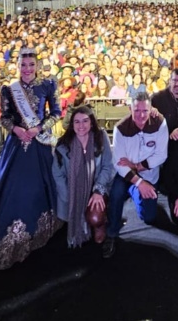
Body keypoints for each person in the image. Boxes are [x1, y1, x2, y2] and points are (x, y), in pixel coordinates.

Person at [0, 47, 61, 270]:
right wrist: (15, 129)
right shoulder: (8, 89)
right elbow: (4, 117)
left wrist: (39, 128)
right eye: (23, 65)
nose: (27, 69)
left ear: (37, 66)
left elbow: (56, 113)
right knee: (13, 187)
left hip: (39, 142)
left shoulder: (48, 84)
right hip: (16, 143)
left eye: (31, 65)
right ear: (17, 66)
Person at [103, 90, 168, 259]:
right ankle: (112, 232)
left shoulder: (160, 122)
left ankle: (136, 194)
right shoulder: (120, 128)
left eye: (145, 111)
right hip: (127, 175)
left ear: (151, 109)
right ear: (130, 109)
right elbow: (119, 162)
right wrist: (139, 182)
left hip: (148, 174)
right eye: (137, 110)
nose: (141, 115)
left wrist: (137, 166)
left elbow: (162, 154)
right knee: (116, 194)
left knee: (149, 217)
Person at [51, 105, 114, 250]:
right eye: (77, 122)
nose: (81, 126)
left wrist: (98, 190)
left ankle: (99, 223)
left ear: (91, 122)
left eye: (85, 121)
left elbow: (107, 166)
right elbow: (57, 173)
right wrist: (68, 196)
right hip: (72, 191)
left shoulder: (100, 137)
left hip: (97, 188)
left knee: (94, 218)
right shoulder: (63, 144)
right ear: (72, 124)